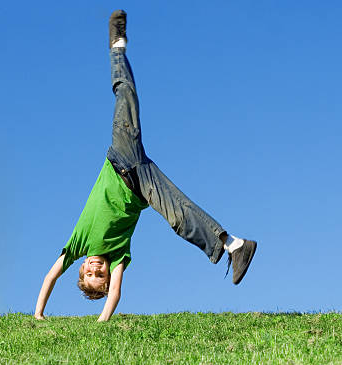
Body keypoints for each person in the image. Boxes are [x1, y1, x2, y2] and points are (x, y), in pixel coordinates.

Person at [34, 10, 257, 322]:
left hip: (122, 159)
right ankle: (235, 246)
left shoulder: (76, 246)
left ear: (82, 266)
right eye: (101, 275)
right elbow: (115, 292)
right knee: (179, 217)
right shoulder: (118, 257)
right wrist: (103, 321)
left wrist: (39, 314)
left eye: (91, 272)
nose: (97, 269)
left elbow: (49, 277)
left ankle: (117, 46)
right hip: (141, 185)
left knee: (124, 94)